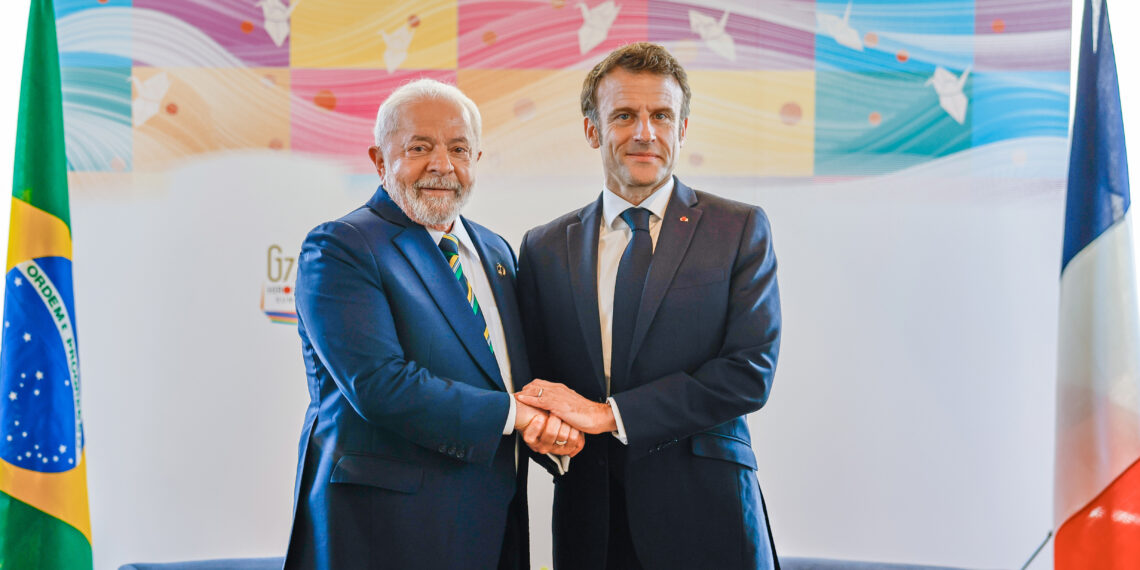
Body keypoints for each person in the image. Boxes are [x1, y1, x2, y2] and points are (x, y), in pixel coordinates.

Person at [283, 78, 582, 570]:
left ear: (477, 162)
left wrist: (549, 428)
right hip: (384, 533)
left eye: (459, 148)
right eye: (419, 147)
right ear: (380, 161)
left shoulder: (496, 251)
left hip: (491, 523)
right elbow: (379, 384)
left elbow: (509, 379)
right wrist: (519, 416)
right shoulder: (342, 247)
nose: (442, 165)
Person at [516, 43, 782, 569]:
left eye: (661, 115)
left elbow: (750, 373)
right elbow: (536, 381)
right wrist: (549, 434)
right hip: (590, 522)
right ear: (592, 130)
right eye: (624, 116)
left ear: (682, 128)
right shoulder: (543, 247)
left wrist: (607, 415)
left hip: (708, 515)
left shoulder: (739, 229)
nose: (645, 132)